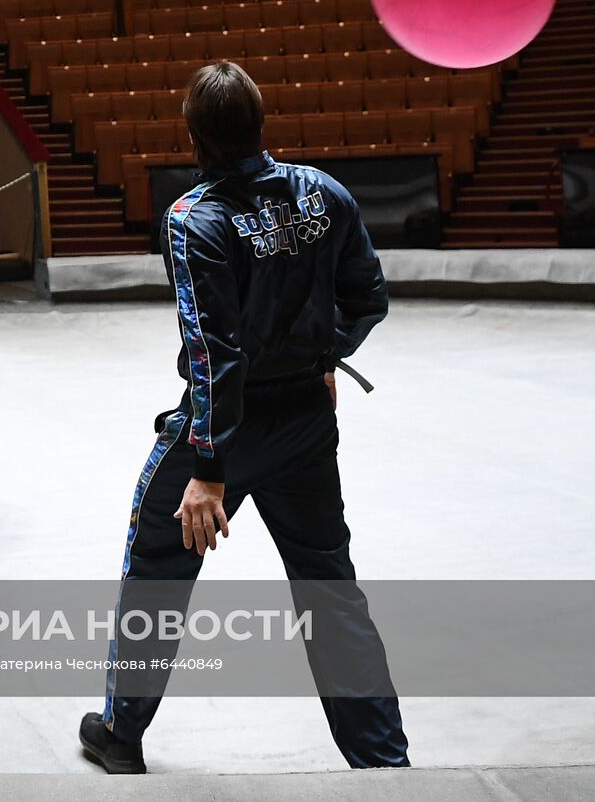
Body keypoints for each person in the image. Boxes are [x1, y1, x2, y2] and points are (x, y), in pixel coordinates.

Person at [78, 62, 408, 773]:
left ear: (193, 134)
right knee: (331, 591)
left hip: (228, 429)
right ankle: (384, 763)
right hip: (308, 425)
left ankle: (120, 734)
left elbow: (212, 352)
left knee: (157, 572)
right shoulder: (325, 193)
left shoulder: (195, 218)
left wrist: (208, 469)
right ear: (261, 123)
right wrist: (325, 353)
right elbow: (369, 298)